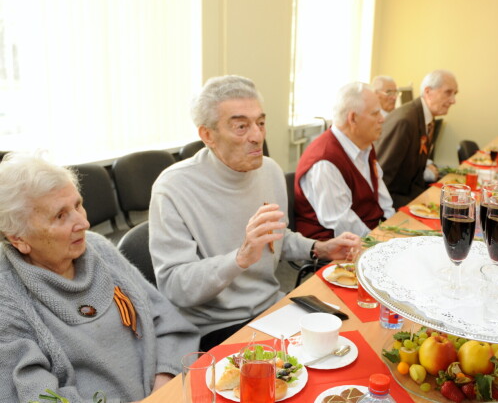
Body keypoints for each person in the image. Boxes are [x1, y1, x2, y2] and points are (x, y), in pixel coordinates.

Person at [149, 75, 362, 351]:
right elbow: (174, 286)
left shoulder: (269, 171)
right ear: (207, 135)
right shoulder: (173, 188)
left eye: (260, 123)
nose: (257, 135)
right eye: (241, 126)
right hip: (217, 325)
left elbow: (276, 238)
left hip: (274, 307)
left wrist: (319, 248)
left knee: (349, 340)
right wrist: (238, 259)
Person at [0, 153, 199, 403]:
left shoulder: (97, 248)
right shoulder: (7, 296)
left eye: (78, 205)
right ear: (19, 238)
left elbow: (168, 325)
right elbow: (37, 396)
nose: (83, 222)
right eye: (60, 216)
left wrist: (164, 386)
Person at [295, 82, 395, 239]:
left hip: (372, 235)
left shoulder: (364, 145)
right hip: (339, 249)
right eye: (375, 114)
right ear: (353, 118)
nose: (382, 119)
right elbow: (343, 224)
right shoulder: (325, 162)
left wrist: (394, 228)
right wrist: (385, 243)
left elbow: (384, 201)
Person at [375, 69, 458, 208]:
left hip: (412, 194)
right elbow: (382, 179)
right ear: (428, 92)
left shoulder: (426, 118)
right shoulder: (405, 121)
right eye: (448, 92)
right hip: (394, 202)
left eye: (455, 94)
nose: (453, 100)